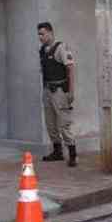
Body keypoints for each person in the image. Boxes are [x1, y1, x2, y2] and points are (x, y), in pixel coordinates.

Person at [38, 22, 78, 167]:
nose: (40, 37)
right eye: (39, 34)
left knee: (64, 124)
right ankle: (57, 152)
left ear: (50, 33)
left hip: (60, 91)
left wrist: (71, 91)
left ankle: (73, 154)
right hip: (47, 90)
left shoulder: (61, 47)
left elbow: (70, 68)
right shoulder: (42, 50)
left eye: (42, 34)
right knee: (50, 124)